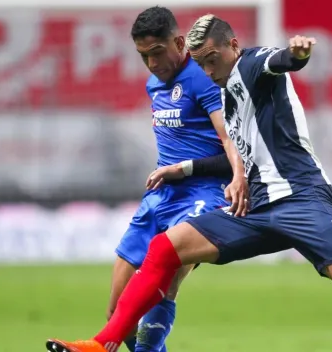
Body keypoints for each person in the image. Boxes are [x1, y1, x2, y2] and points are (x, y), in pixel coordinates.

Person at [45, 14, 332, 352]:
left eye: (212, 61)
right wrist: (236, 176)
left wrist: (297, 54)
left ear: (233, 45)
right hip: (256, 207)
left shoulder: (252, 63)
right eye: (201, 65)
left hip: (302, 199)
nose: (209, 72)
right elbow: (237, 148)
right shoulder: (225, 92)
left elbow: (281, 61)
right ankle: (103, 344)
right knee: (165, 248)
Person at [102, 8, 247, 352]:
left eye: (156, 53)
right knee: (118, 312)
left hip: (202, 195)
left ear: (179, 42)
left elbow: (230, 142)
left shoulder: (203, 78)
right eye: (143, 56)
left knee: (162, 286)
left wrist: (236, 177)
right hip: (160, 197)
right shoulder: (154, 83)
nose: (151, 64)